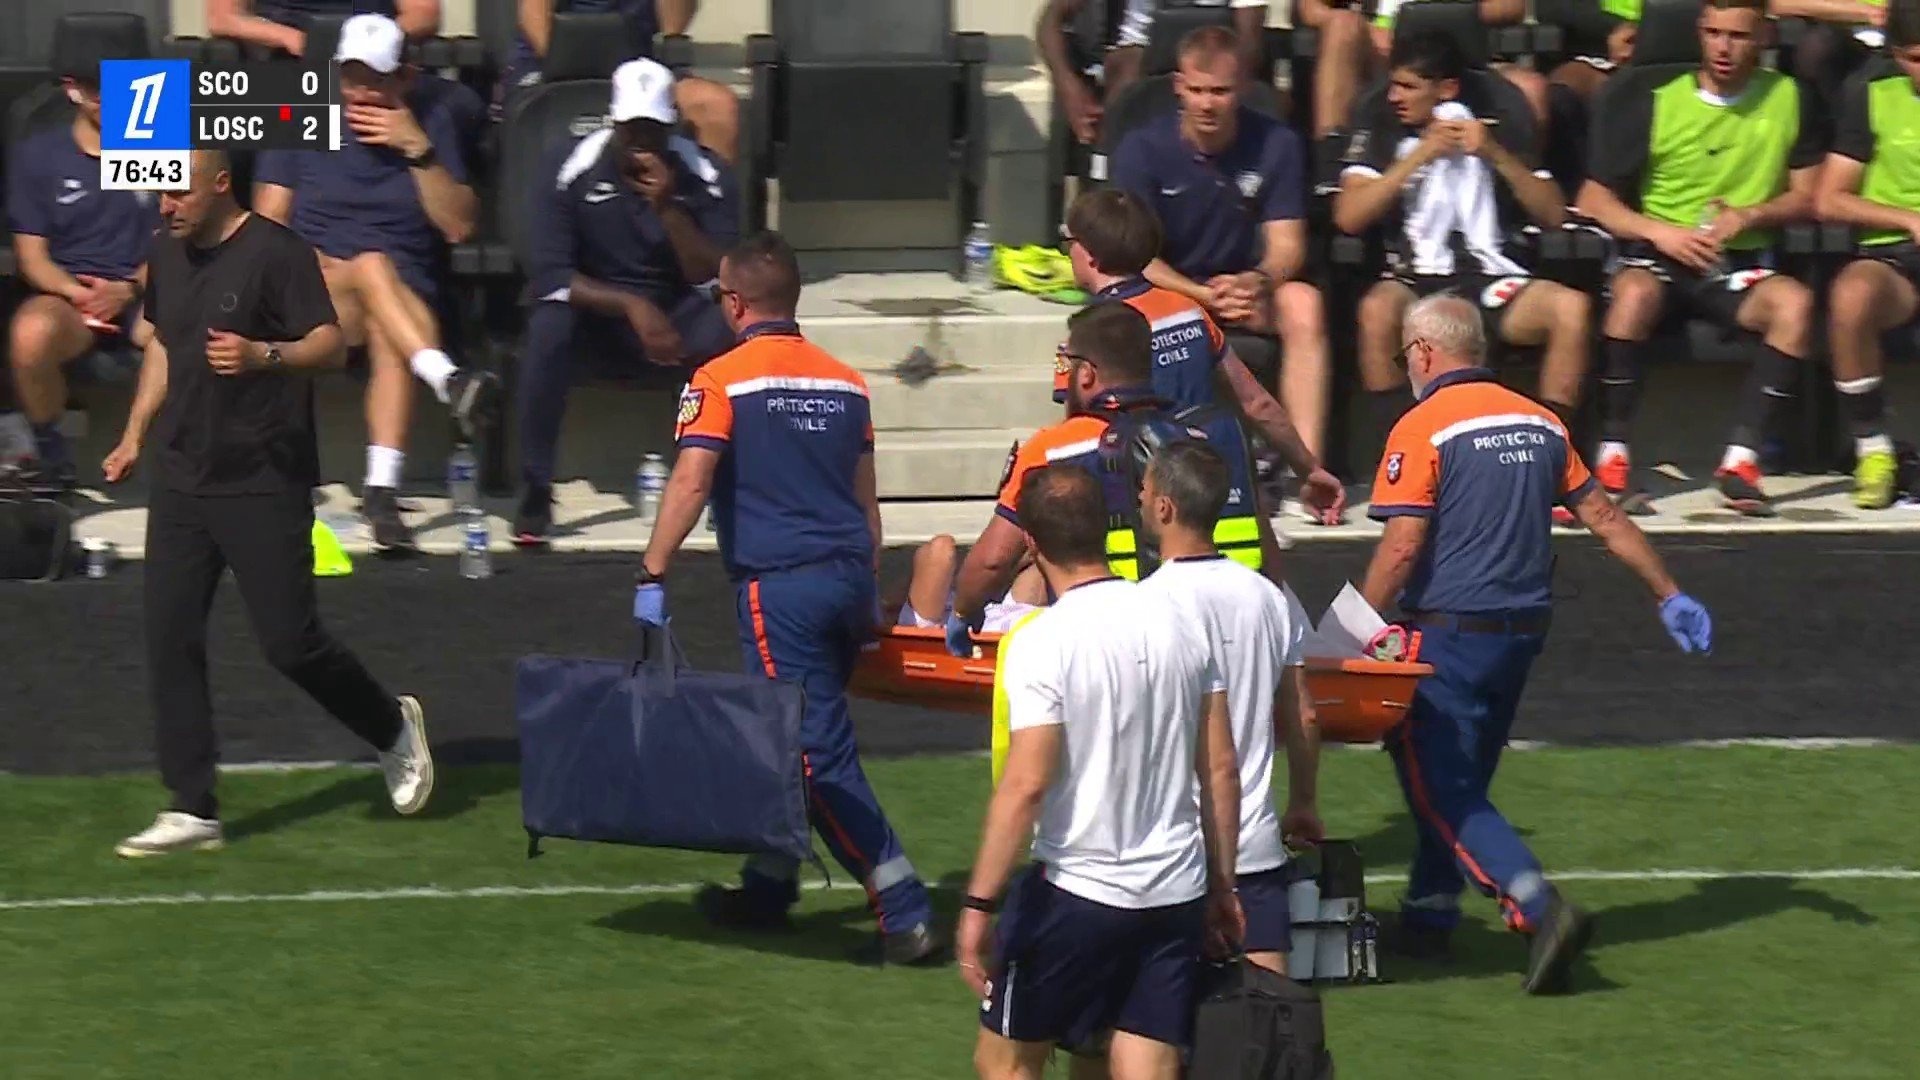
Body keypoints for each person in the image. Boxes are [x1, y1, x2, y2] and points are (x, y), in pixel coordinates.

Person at [1361, 295, 1712, 993]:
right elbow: (1605, 517)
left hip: (1449, 634)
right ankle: (1429, 914)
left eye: (1405, 356)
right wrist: (1668, 592)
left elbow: (1401, 547)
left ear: (1424, 352)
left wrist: (1350, 628)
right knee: (1462, 774)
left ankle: (1538, 906)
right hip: (1522, 633)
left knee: (1440, 782)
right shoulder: (1540, 420)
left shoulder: (1423, 425)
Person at [100, 150, 433, 858]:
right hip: (182, 477)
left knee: (290, 643)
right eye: (161, 194)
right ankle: (192, 807)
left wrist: (262, 356)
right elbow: (163, 345)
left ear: (222, 184)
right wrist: (133, 434)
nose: (166, 206)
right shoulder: (167, 252)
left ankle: (390, 725)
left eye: (179, 192)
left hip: (263, 478)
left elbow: (330, 346)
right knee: (169, 638)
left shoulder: (278, 253)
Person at [634, 231, 940, 965]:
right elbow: (867, 505)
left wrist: (651, 570)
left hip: (782, 589)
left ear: (736, 302)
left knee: (809, 753)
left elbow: (692, 480)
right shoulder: (846, 383)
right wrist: (867, 588)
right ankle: (768, 887)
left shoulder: (720, 379)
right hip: (845, 578)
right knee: (792, 737)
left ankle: (903, 906)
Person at [958, 464, 1242, 1080]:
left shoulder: (1043, 640)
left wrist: (979, 903)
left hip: (1075, 894)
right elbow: (1220, 766)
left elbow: (1026, 785)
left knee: (1007, 1062)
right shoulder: (1182, 621)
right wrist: (1223, 886)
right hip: (1174, 893)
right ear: (1107, 525)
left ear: (1030, 542)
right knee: (1144, 1065)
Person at [254, 13, 500, 550]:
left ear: (405, 78)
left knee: (384, 300)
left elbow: (459, 226)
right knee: (370, 267)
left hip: (402, 298)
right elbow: (268, 224)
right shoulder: (301, 109)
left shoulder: (431, 121)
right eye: (351, 78)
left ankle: (381, 493)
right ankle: (446, 380)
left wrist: (418, 151)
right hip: (318, 288)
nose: (361, 92)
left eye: (376, 80)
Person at [1576, 0, 1825, 515]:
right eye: (1713, 33)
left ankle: (1742, 461)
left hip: (1735, 260)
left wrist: (1751, 215)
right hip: (1660, 254)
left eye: (1738, 36)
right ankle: (1612, 455)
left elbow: (1809, 196)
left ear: (1764, 37)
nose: (1723, 48)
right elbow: (1593, 199)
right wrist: (1660, 233)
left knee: (1795, 304)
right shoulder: (1653, 98)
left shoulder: (1789, 96)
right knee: (1633, 293)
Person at [1335, 29, 1592, 506]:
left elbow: (1554, 213)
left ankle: (1553, 466)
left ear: (1447, 89)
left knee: (1571, 309)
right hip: (1415, 279)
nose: (1394, 96)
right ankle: (1403, 459)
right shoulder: (1381, 121)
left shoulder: (1500, 117)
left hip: (1492, 277)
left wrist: (1493, 152)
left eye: (1408, 86)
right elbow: (1349, 216)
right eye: (1393, 84)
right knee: (1376, 310)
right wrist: (1420, 154)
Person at [947, 302, 1267, 654]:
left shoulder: (1053, 449)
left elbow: (993, 560)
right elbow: (1264, 542)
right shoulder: (1208, 439)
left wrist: (962, 614)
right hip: (1228, 625)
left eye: (1065, 365)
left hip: (1112, 638)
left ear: (1085, 374)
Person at [516, 57, 739, 544]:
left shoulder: (706, 173)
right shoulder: (569, 165)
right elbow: (550, 272)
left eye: (651, 130)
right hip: (598, 314)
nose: (640, 141)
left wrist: (668, 208)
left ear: (671, 126)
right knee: (548, 324)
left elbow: (714, 273)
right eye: (631, 129)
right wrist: (631, 307)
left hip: (676, 309)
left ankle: (726, 485)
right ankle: (534, 491)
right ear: (613, 123)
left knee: (734, 326)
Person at [1136, 440, 1322, 976]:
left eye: (1144, 491)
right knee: (1271, 1004)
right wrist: (1303, 801)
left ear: (1165, 507)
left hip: (1174, 848)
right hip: (1255, 842)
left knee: (1164, 1007)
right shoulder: (1270, 597)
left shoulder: (1147, 604)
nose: (1139, 499)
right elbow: (1304, 715)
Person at [1108, 25, 1334, 464]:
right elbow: (1136, 255)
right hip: (1168, 289)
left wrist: (1257, 280)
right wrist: (1200, 295)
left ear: (1243, 87)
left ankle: (1308, 469)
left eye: (1220, 91)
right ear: (1179, 86)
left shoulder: (1277, 144)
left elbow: (1288, 245)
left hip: (1245, 288)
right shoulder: (1141, 149)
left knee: (1304, 304)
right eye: (1196, 90)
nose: (1207, 103)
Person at [1059, 188, 1345, 525]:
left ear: (1089, 254)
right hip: (1204, 490)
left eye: (1069, 242)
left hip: (1137, 505)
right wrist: (1309, 470)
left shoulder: (1086, 335)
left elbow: (1075, 435)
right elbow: (1257, 404)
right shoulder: (1188, 311)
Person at [7, 45, 160, 489]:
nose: (110, 101)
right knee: (31, 333)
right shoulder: (40, 154)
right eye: (97, 91)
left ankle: (155, 448)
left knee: (188, 329)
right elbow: (32, 257)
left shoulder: (151, 142)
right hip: (72, 297)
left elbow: (175, 238)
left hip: (146, 287)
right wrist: (82, 296)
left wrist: (127, 289)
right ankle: (50, 455)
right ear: (73, 90)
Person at [1815, 0, 1920, 509]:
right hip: (1896, 257)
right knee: (1852, 294)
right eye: (1917, 59)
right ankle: (1873, 451)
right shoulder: (1874, 96)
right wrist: (1908, 219)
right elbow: (1829, 198)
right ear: (1897, 55)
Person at [502, 0, 740, 163]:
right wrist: (565, 65)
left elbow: (673, 28)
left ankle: (709, 217)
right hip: (551, 62)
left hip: (639, 65)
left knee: (714, 107)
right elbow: (533, 13)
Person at [1037, 0, 1271, 147]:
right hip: (1135, 60)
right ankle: (1113, 185)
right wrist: (1069, 86)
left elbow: (1249, 42)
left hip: (1209, 62)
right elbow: (1051, 20)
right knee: (1126, 67)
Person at [885, 533, 1048, 635]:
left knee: (1044, 547)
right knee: (1044, 548)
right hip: (997, 627)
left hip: (990, 626)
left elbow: (941, 548)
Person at [205, 0, 440, 57]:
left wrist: (376, 38)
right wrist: (290, 38)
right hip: (284, 60)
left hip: (373, 66)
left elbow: (424, 13)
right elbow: (223, 18)